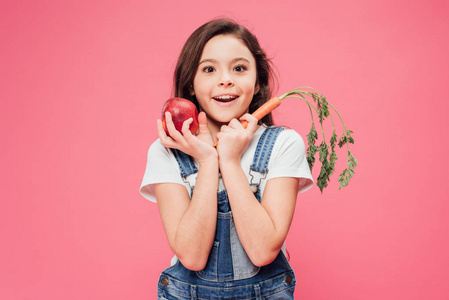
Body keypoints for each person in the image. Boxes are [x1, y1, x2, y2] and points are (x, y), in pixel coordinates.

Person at [140, 18, 313, 299]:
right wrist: (208, 161)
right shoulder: (165, 151)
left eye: (240, 68)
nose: (226, 79)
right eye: (209, 69)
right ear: (191, 85)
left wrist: (230, 162)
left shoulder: (283, 143)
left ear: (258, 83)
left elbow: (263, 250)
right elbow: (192, 257)